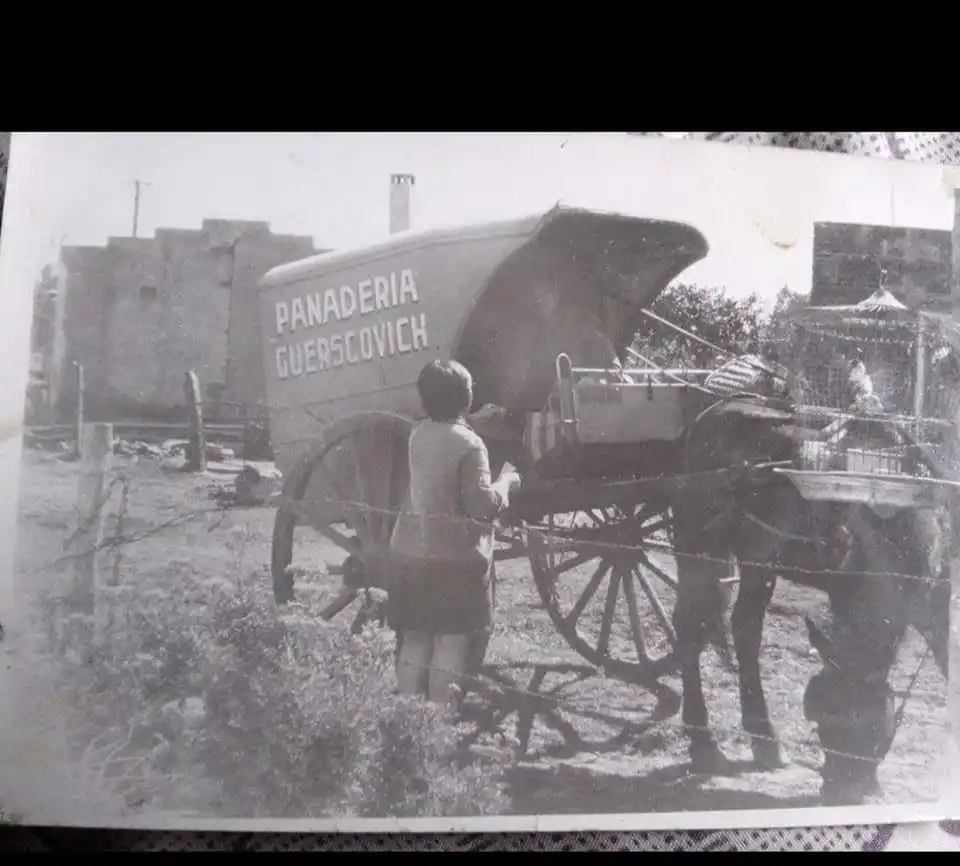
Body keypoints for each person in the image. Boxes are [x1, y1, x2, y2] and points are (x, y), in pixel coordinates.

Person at [388, 360, 521, 709]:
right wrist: (507, 480)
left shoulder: (418, 433)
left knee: (415, 639)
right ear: (466, 398)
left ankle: (407, 721)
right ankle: (437, 726)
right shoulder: (471, 446)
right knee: (450, 643)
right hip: (453, 562)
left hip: (411, 557)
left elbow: (443, 434)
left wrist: (470, 419)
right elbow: (484, 508)